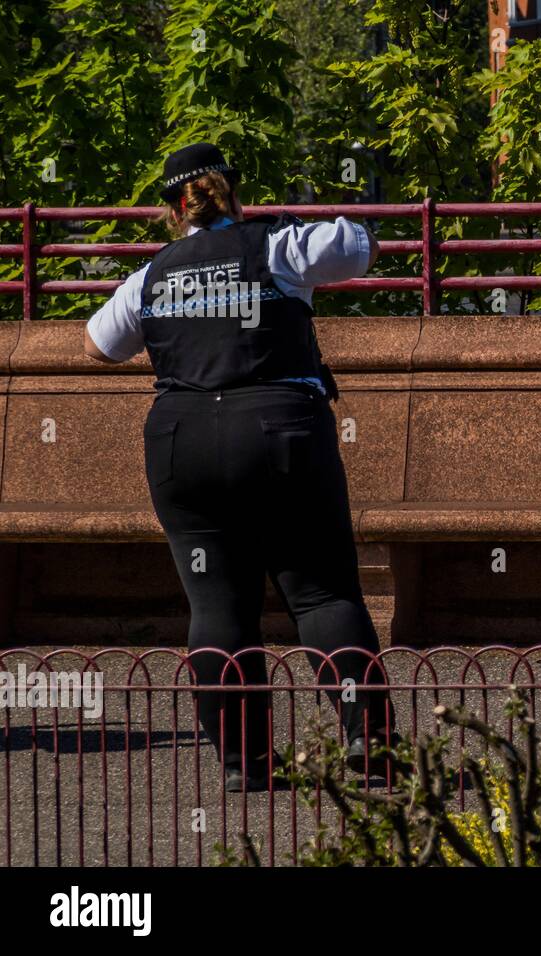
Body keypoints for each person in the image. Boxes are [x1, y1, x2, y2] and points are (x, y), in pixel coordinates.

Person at [85, 142, 404, 791]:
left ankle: (243, 762)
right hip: (279, 430)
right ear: (232, 192)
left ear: (174, 207)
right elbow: (358, 247)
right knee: (321, 594)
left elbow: (98, 345)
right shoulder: (277, 247)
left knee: (218, 606)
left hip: (183, 443)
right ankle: (368, 751)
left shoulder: (150, 274)